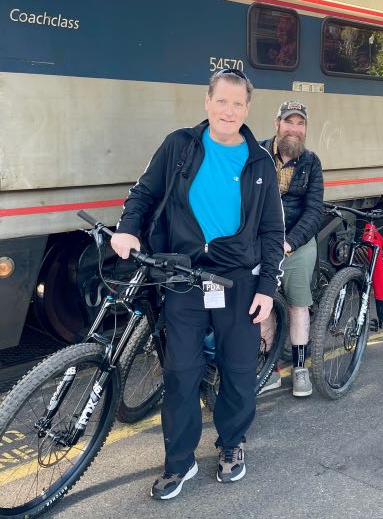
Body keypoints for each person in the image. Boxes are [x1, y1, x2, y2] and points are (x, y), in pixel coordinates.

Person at [110, 68, 284, 500]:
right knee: (180, 371)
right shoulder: (179, 145)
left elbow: (272, 231)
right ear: (207, 102)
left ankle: (231, 444)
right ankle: (179, 462)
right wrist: (127, 229)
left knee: (238, 369)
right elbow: (143, 193)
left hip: (237, 279)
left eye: (238, 104)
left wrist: (266, 287)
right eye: (221, 101)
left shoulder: (260, 161)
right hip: (183, 276)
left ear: (247, 109)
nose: (229, 111)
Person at [259, 101, 324, 396]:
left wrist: (290, 242)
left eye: (301, 124)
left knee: (299, 304)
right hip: (262, 243)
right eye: (289, 122)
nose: (295, 129)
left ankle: (299, 368)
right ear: (277, 124)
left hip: (296, 243)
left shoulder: (311, 162)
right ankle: (269, 370)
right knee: (264, 304)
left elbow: (314, 212)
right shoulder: (257, 153)